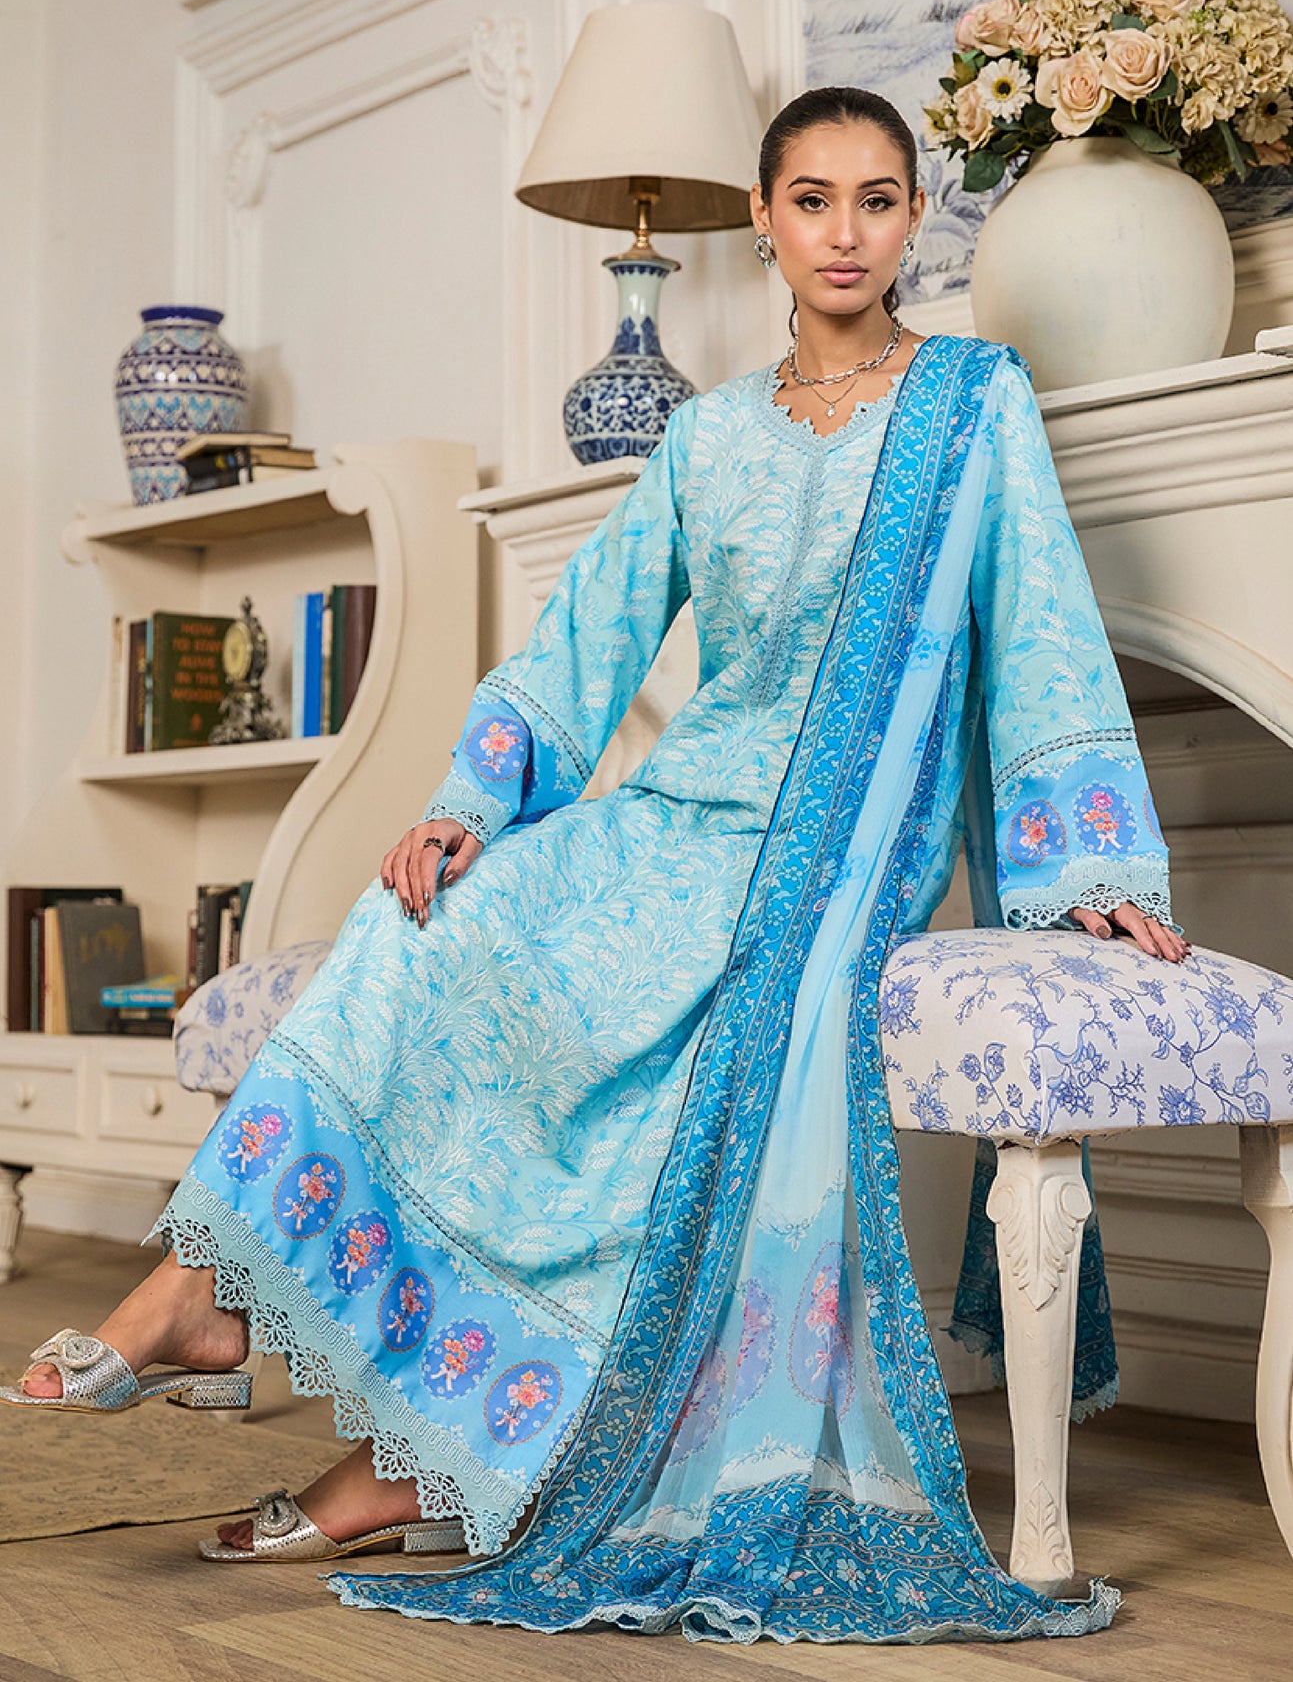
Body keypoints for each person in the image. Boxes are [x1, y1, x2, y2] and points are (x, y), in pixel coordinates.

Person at [3, 87, 1188, 1644]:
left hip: (835, 844)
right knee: (431, 923)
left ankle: (372, 1429)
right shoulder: (706, 437)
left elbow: (1039, 630)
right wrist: (471, 806)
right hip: (676, 808)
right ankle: (219, 1300)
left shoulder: (973, 401)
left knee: (667, 1037)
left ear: (915, 218)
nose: (843, 233)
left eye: (876, 199)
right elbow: (587, 640)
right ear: (760, 220)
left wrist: (1087, 866)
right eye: (811, 199)